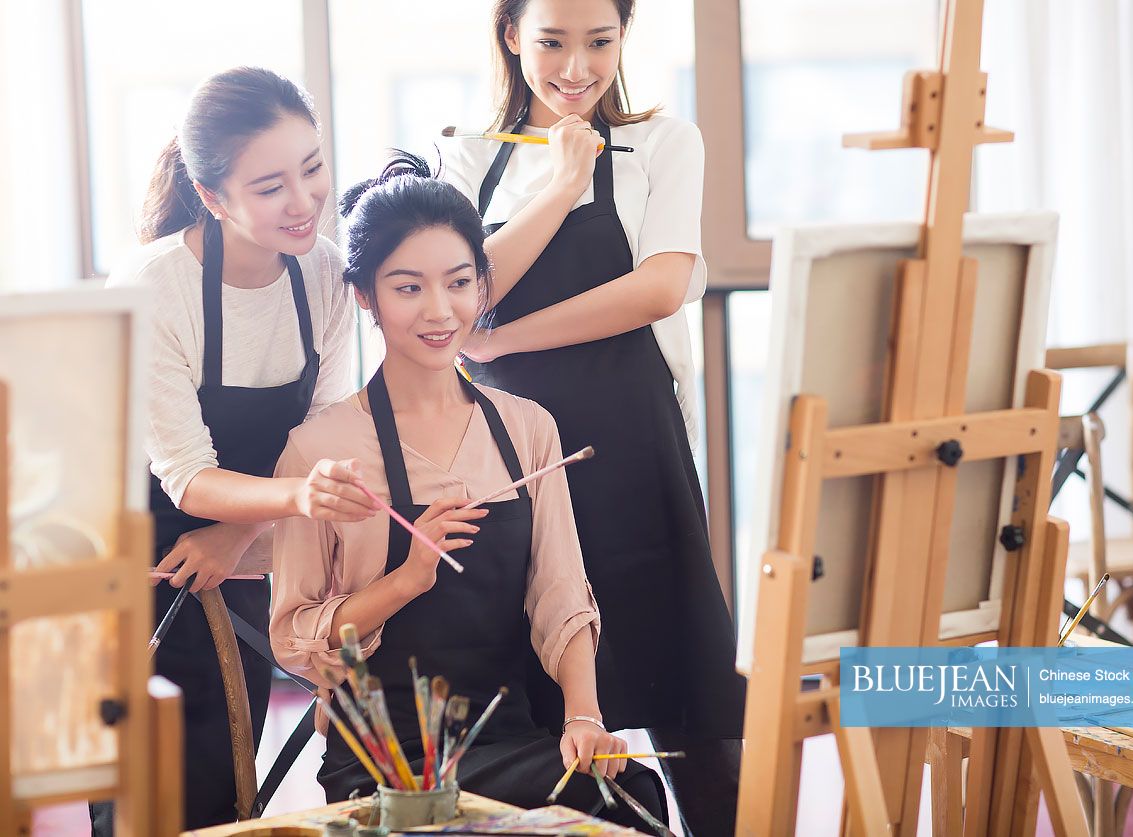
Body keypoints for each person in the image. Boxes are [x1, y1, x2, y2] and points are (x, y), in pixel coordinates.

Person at [269, 153, 665, 830]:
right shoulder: (319, 451)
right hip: (381, 758)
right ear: (363, 295)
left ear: (483, 285)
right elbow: (291, 635)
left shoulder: (527, 429)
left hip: (507, 734)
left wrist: (583, 716)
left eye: (458, 282)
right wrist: (406, 579)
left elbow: (562, 594)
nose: (439, 310)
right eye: (407, 288)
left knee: (630, 800)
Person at [440, 1, 744, 831]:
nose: (576, 67)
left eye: (599, 42)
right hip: (511, 460)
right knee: (547, 694)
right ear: (510, 36)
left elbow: (660, 286)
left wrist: (502, 345)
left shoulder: (664, 142)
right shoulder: (463, 157)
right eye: (550, 42)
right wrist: (563, 182)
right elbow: (461, 292)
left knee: (685, 686)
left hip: (632, 444)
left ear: (624, 38)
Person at [98, 66, 370, 832]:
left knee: (238, 756)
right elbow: (185, 474)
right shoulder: (156, 283)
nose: (304, 199)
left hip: (242, 537)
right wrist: (277, 506)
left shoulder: (322, 268)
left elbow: (316, 427)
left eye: (312, 167)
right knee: (173, 778)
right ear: (214, 198)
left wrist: (244, 530)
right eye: (271, 184)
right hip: (156, 550)